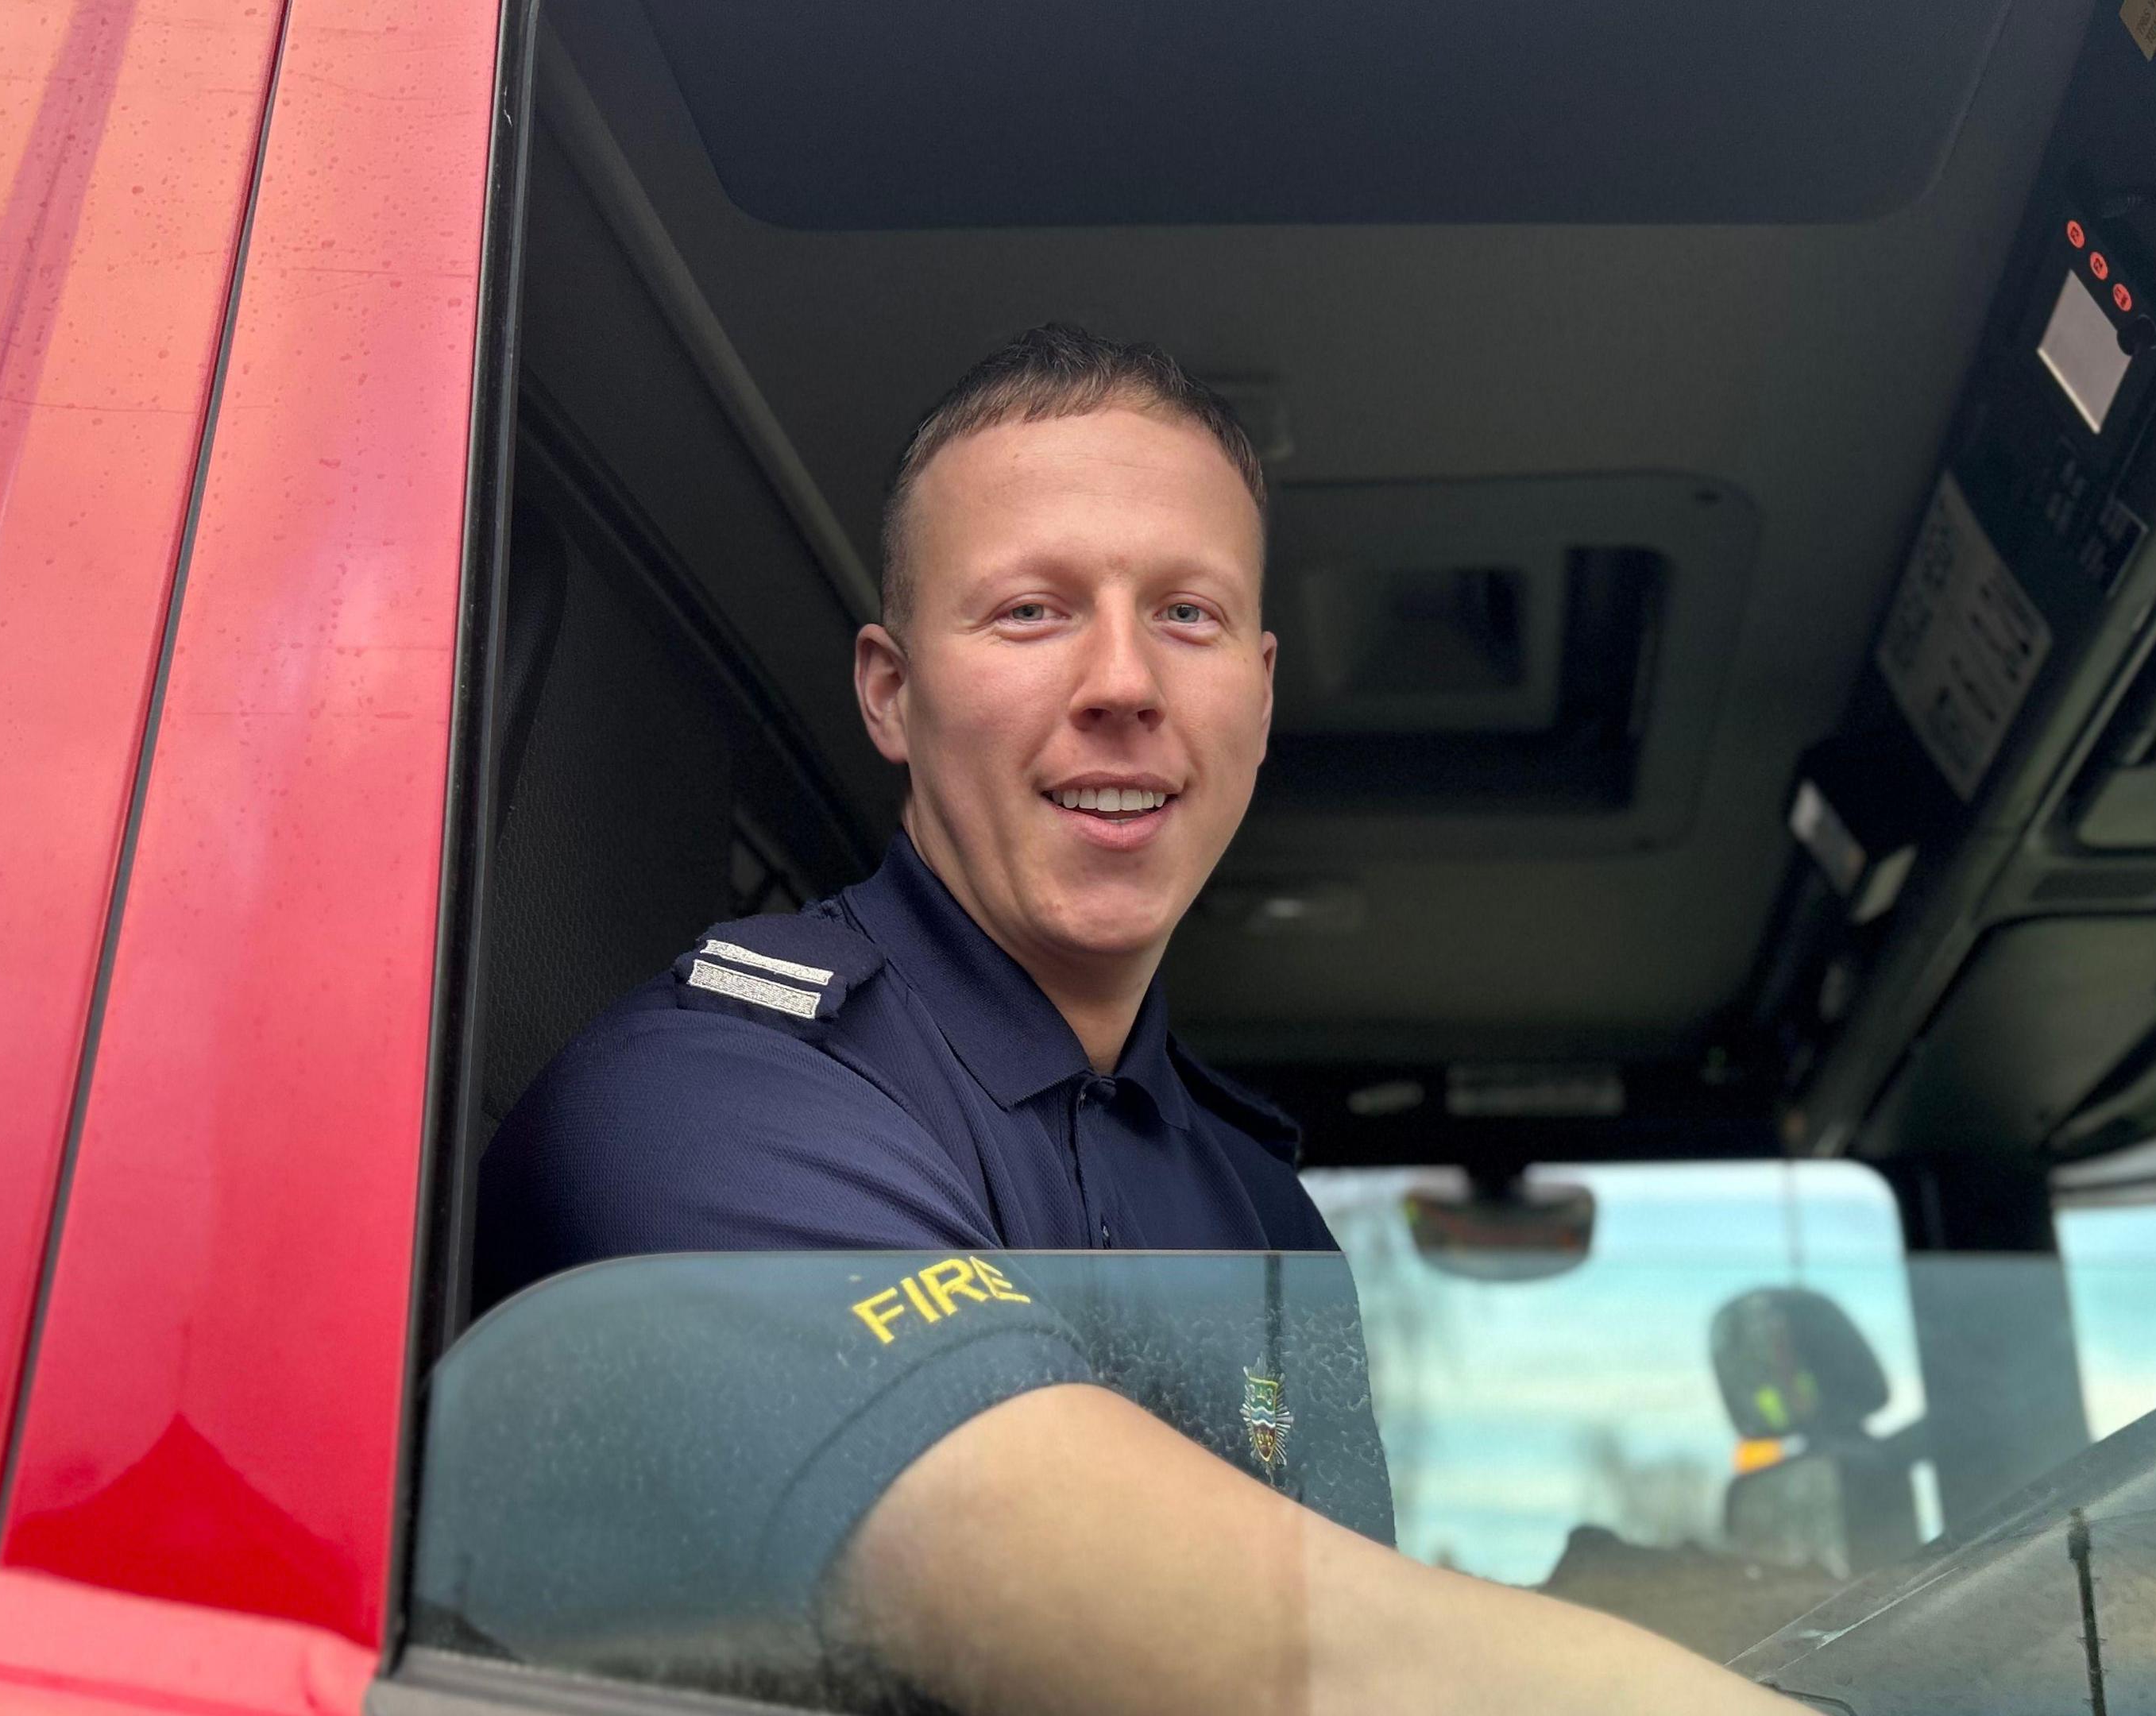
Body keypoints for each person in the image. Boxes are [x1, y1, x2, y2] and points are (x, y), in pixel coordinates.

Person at [474, 326, 1802, 1714]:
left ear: (1264, 694)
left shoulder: (1263, 1212)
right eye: (1032, 611)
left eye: (1188, 614)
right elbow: (1066, 1573)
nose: (1124, 684)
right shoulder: (706, 1095)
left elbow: (1346, 1619)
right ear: (890, 692)